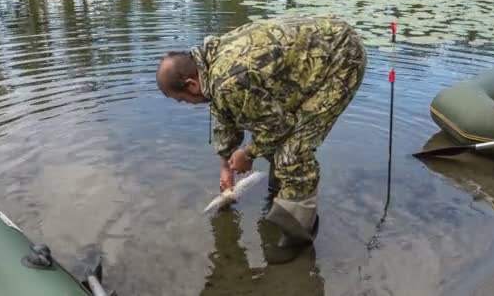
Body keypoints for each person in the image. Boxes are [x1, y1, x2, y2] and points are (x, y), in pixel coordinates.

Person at [156, 14, 367, 264]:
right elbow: (224, 114)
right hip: (313, 55)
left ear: (191, 85)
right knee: (267, 131)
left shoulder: (227, 80)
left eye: (183, 100)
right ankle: (280, 192)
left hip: (341, 57)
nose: (187, 104)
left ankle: (299, 234)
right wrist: (226, 165)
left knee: (293, 152)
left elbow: (279, 126)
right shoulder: (210, 65)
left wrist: (247, 154)